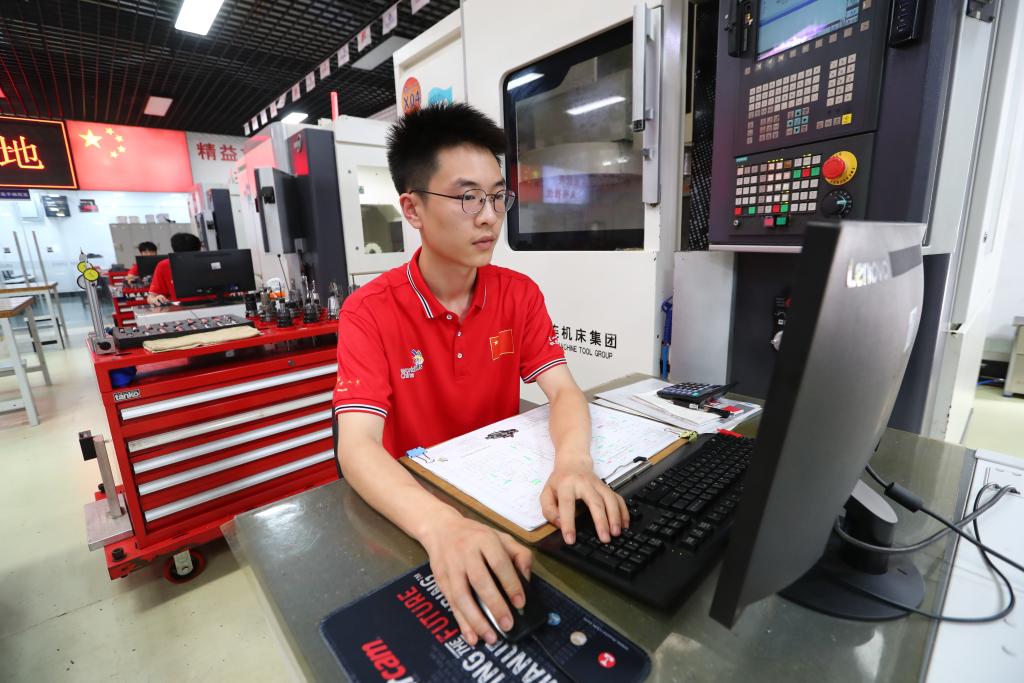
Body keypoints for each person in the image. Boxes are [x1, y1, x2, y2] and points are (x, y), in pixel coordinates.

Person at [333, 103, 627, 647]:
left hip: (502, 495)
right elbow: (356, 446)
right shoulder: (368, 312)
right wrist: (440, 526)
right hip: (415, 505)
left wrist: (573, 464)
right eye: (467, 197)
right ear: (413, 208)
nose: (490, 217)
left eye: (497, 196)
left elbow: (563, 390)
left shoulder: (518, 294)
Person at [147, 232, 202, 305]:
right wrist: (155, 299)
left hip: (211, 307)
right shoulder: (164, 265)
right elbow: (151, 297)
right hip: (178, 309)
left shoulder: (207, 262)